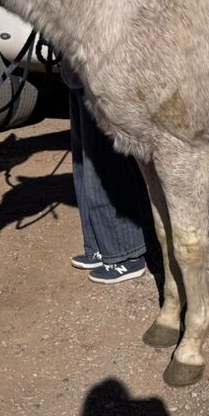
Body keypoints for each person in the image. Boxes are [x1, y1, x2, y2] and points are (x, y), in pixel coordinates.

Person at [61, 58, 149, 284]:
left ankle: (126, 253)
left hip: (99, 71)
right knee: (83, 162)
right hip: (75, 68)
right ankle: (99, 245)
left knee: (104, 163)